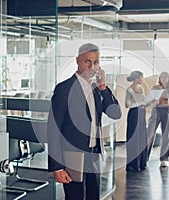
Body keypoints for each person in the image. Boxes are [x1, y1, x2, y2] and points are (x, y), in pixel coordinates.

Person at [47, 43, 121, 200]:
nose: (92, 66)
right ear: (77, 61)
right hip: (73, 157)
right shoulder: (64, 89)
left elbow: (115, 113)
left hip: (94, 155)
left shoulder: (97, 89)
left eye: (96, 62)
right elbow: (53, 129)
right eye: (87, 61)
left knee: (93, 196)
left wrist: (104, 88)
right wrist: (57, 166)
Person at [125, 71, 155, 171]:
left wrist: (150, 102)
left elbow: (144, 103)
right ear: (136, 78)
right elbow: (128, 105)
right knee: (134, 138)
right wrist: (141, 102)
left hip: (141, 114)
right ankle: (133, 164)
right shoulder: (129, 89)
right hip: (134, 115)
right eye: (142, 78)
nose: (143, 80)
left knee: (142, 138)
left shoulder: (141, 89)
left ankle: (141, 163)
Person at [147, 71, 169, 167]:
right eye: (161, 77)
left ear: (168, 79)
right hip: (156, 111)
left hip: (166, 112)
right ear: (159, 79)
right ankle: (144, 156)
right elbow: (148, 102)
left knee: (166, 135)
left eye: (165, 77)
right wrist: (155, 101)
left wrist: (167, 103)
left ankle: (164, 158)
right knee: (149, 134)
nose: (163, 79)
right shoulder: (155, 88)